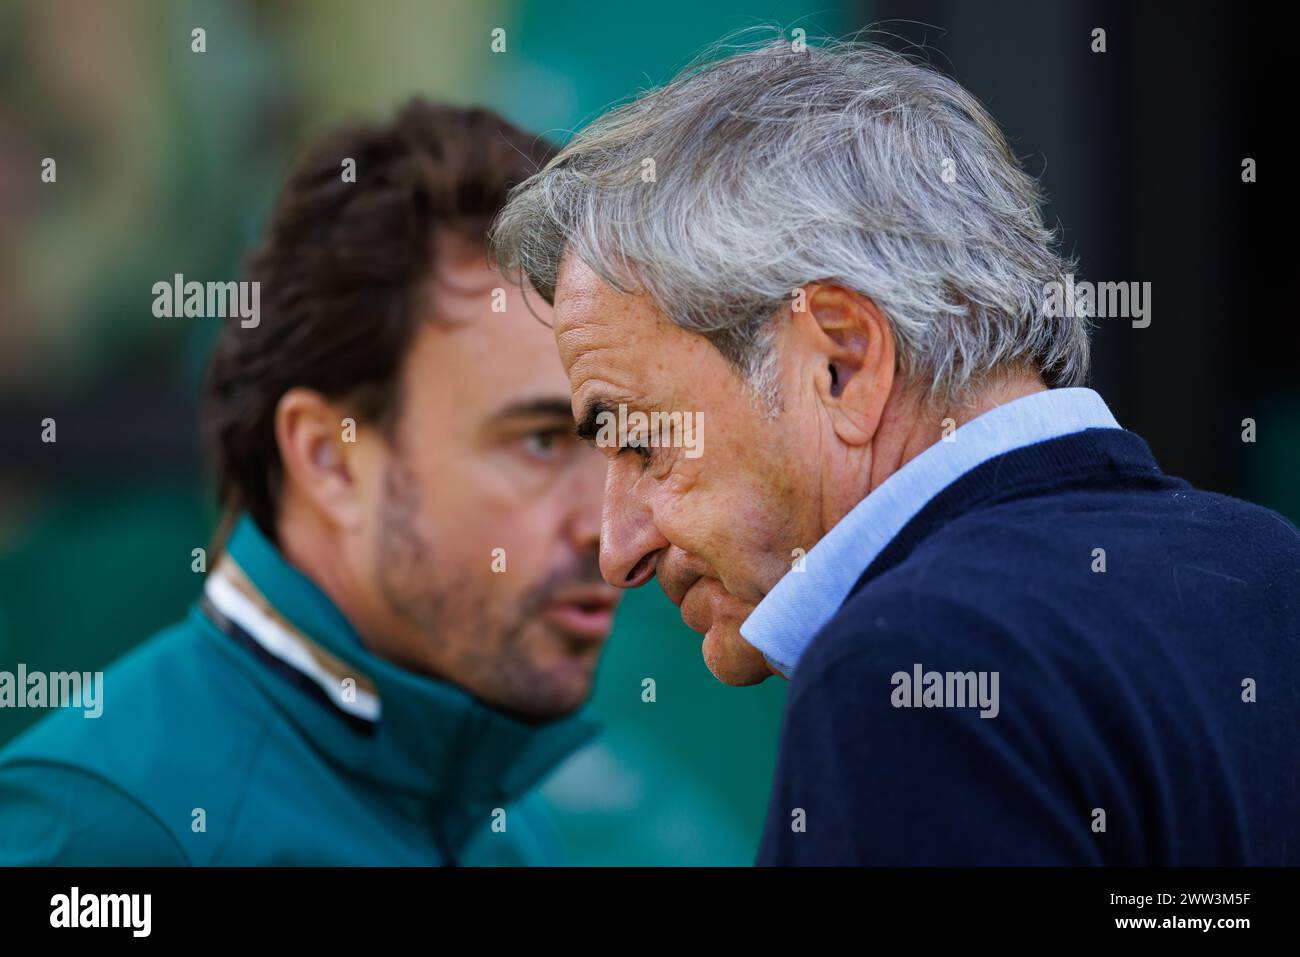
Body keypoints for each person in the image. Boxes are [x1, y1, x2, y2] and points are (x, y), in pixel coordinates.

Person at [491, 40, 1300, 865]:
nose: (617, 549)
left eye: (641, 439)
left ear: (843, 362)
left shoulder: (901, 668)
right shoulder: (1271, 564)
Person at [0, 100, 618, 865]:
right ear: (328, 459)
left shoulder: (496, 813)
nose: (613, 529)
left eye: (619, 440)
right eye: (539, 441)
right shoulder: (107, 830)